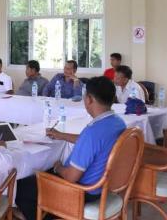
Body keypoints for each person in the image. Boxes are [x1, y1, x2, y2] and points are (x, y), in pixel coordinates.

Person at [16, 76, 126, 219]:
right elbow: (93, 144)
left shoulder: (92, 132)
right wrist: (61, 135)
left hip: (82, 191)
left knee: (21, 188)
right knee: (40, 176)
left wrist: (58, 167)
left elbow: (70, 177)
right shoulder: (117, 122)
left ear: (89, 99)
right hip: (103, 185)